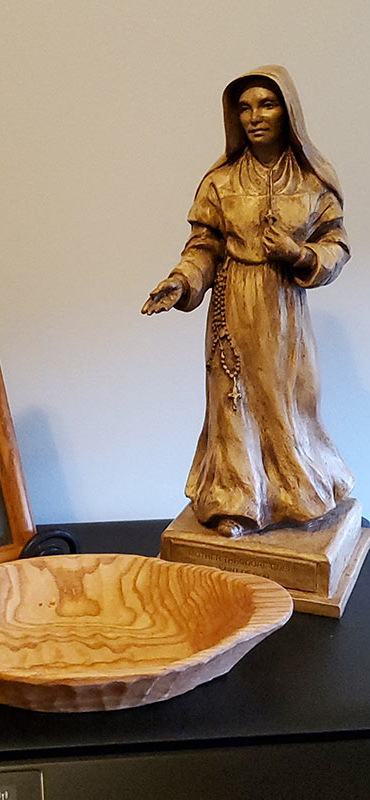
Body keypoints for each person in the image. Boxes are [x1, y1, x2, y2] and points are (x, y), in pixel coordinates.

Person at [142, 65, 354, 538]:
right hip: (232, 307)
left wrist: (299, 254)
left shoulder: (313, 183)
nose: (255, 117)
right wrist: (181, 281)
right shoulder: (220, 182)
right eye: (244, 108)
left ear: (288, 112)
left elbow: (336, 245)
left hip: (285, 310)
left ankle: (299, 497)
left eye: (267, 104)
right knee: (232, 406)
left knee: (289, 405)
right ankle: (235, 502)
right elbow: (204, 246)